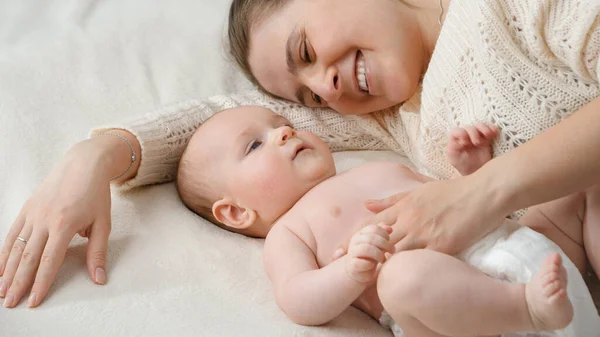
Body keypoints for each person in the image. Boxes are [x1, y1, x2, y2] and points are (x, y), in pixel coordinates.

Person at [1, 0, 599, 309]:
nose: (327, 89)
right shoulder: (393, 120)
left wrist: (484, 191)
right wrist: (96, 156)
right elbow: (219, 129)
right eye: (308, 95)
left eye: (306, 48)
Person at [175, 105, 598, 336]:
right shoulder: (289, 231)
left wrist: (472, 174)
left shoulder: (370, 168)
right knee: (401, 276)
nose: (284, 133)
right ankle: (526, 309)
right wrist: (349, 271)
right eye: (254, 145)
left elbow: (457, 210)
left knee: (582, 184)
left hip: (536, 258)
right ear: (235, 212)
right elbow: (297, 299)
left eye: (281, 124)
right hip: (461, 319)